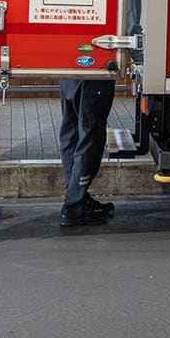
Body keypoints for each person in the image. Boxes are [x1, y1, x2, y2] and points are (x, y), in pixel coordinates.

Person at [58, 78, 116, 227]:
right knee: (90, 138)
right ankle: (74, 206)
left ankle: (76, 196)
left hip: (69, 76)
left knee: (71, 133)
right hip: (94, 75)